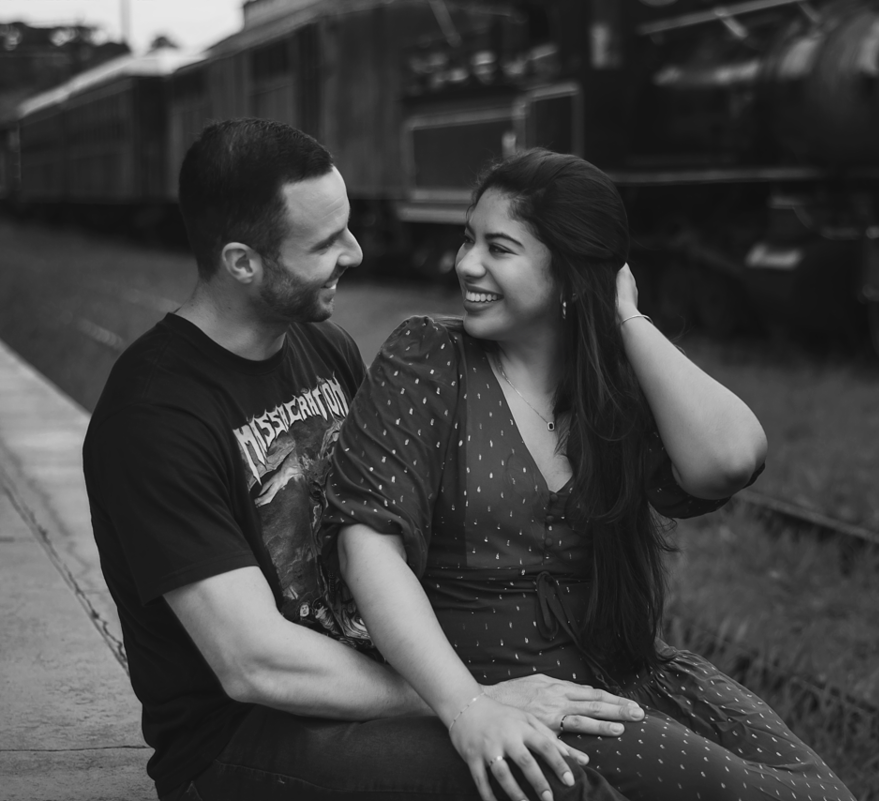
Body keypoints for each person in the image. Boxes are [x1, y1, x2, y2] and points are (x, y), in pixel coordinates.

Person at [82, 120, 643, 801]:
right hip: (245, 743)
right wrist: (466, 699)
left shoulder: (325, 349)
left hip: (366, 690)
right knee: (548, 779)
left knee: (589, 751)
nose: (356, 249)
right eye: (325, 242)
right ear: (242, 262)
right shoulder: (154, 416)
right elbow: (252, 663)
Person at [322, 148, 857, 801]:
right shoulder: (430, 358)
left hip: (621, 670)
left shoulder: (609, 388)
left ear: (572, 276)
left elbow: (731, 459)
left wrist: (627, 319)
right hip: (514, 687)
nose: (465, 264)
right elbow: (367, 547)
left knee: (821, 788)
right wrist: (466, 706)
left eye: (500, 247)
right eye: (468, 240)